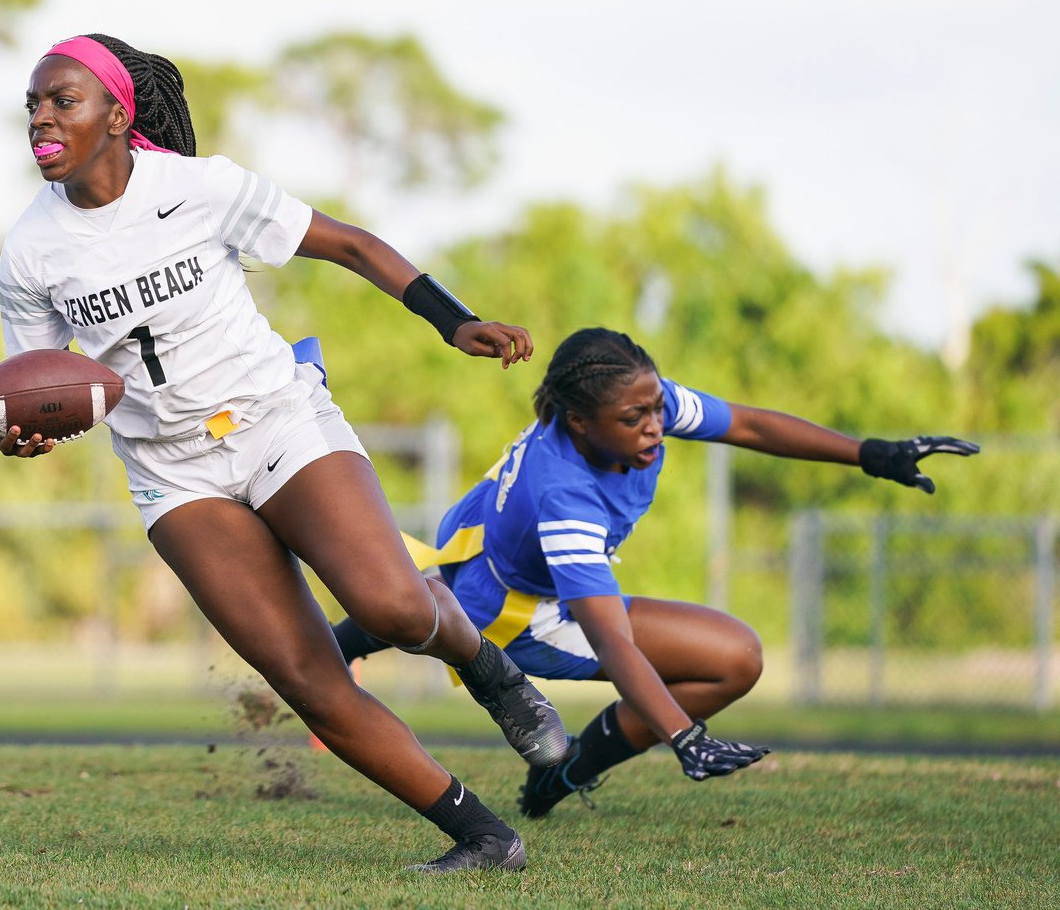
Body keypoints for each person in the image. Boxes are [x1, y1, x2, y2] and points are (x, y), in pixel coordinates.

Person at [0, 33, 570, 873]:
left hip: (273, 418)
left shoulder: (201, 186)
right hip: (171, 469)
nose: (40, 117)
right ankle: (483, 836)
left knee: (394, 609)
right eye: (31, 105)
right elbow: (42, 382)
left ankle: (485, 665)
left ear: (116, 114)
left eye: (59, 100)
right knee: (308, 679)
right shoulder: (29, 250)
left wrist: (453, 319)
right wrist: (23, 433)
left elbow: (354, 245)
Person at [333, 327, 980, 818]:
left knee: (734, 656)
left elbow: (749, 424)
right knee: (735, 661)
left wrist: (872, 454)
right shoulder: (568, 499)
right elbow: (612, 639)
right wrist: (683, 735)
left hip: (477, 536)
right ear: (580, 423)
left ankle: (371, 632)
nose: (656, 427)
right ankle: (551, 761)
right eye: (635, 419)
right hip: (516, 608)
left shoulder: (633, 401)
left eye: (657, 408)